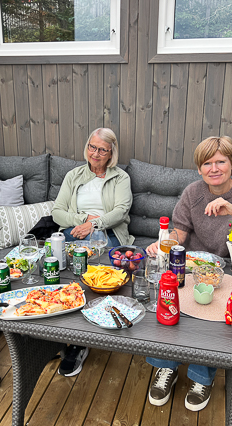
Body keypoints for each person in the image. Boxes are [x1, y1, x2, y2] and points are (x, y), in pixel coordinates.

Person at [145, 136, 232, 412]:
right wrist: (164, 243)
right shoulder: (192, 193)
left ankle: (201, 377)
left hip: (230, 269)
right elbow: (180, 232)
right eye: (207, 163)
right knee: (170, 305)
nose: (214, 168)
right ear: (199, 169)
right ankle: (166, 367)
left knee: (215, 320)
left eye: (221, 161)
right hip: (192, 268)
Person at [51, 127, 134, 376]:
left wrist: (95, 224)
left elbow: (120, 211)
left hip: (109, 234)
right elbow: (57, 212)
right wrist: (84, 220)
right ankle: (56, 327)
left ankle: (81, 341)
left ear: (111, 153)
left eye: (102, 150)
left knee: (98, 279)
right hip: (75, 231)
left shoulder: (120, 178)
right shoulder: (73, 175)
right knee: (56, 269)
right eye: (92, 147)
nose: (95, 153)